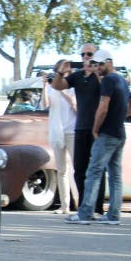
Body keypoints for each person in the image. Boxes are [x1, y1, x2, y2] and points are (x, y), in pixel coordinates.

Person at [66, 50, 131, 225]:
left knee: (94, 172)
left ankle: (85, 214)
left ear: (108, 62)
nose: (96, 67)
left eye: (99, 64)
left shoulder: (108, 80)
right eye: (94, 64)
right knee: (115, 174)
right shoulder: (121, 80)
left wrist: (96, 129)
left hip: (107, 134)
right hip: (119, 133)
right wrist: (119, 117)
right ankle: (113, 215)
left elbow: (103, 106)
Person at [51, 43, 105, 214]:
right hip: (80, 128)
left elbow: (107, 90)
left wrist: (96, 70)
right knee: (79, 169)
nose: (85, 57)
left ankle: (97, 208)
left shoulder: (102, 76)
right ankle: (83, 207)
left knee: (96, 168)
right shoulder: (78, 76)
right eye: (83, 55)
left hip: (97, 128)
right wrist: (60, 71)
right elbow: (57, 86)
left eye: (89, 54)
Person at [41, 66, 77, 214]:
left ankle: (80, 203)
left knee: (76, 169)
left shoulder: (73, 88)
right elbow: (45, 105)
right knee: (61, 170)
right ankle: (65, 205)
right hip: (57, 132)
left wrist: (62, 90)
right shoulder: (51, 88)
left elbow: (75, 106)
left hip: (71, 131)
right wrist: (45, 85)